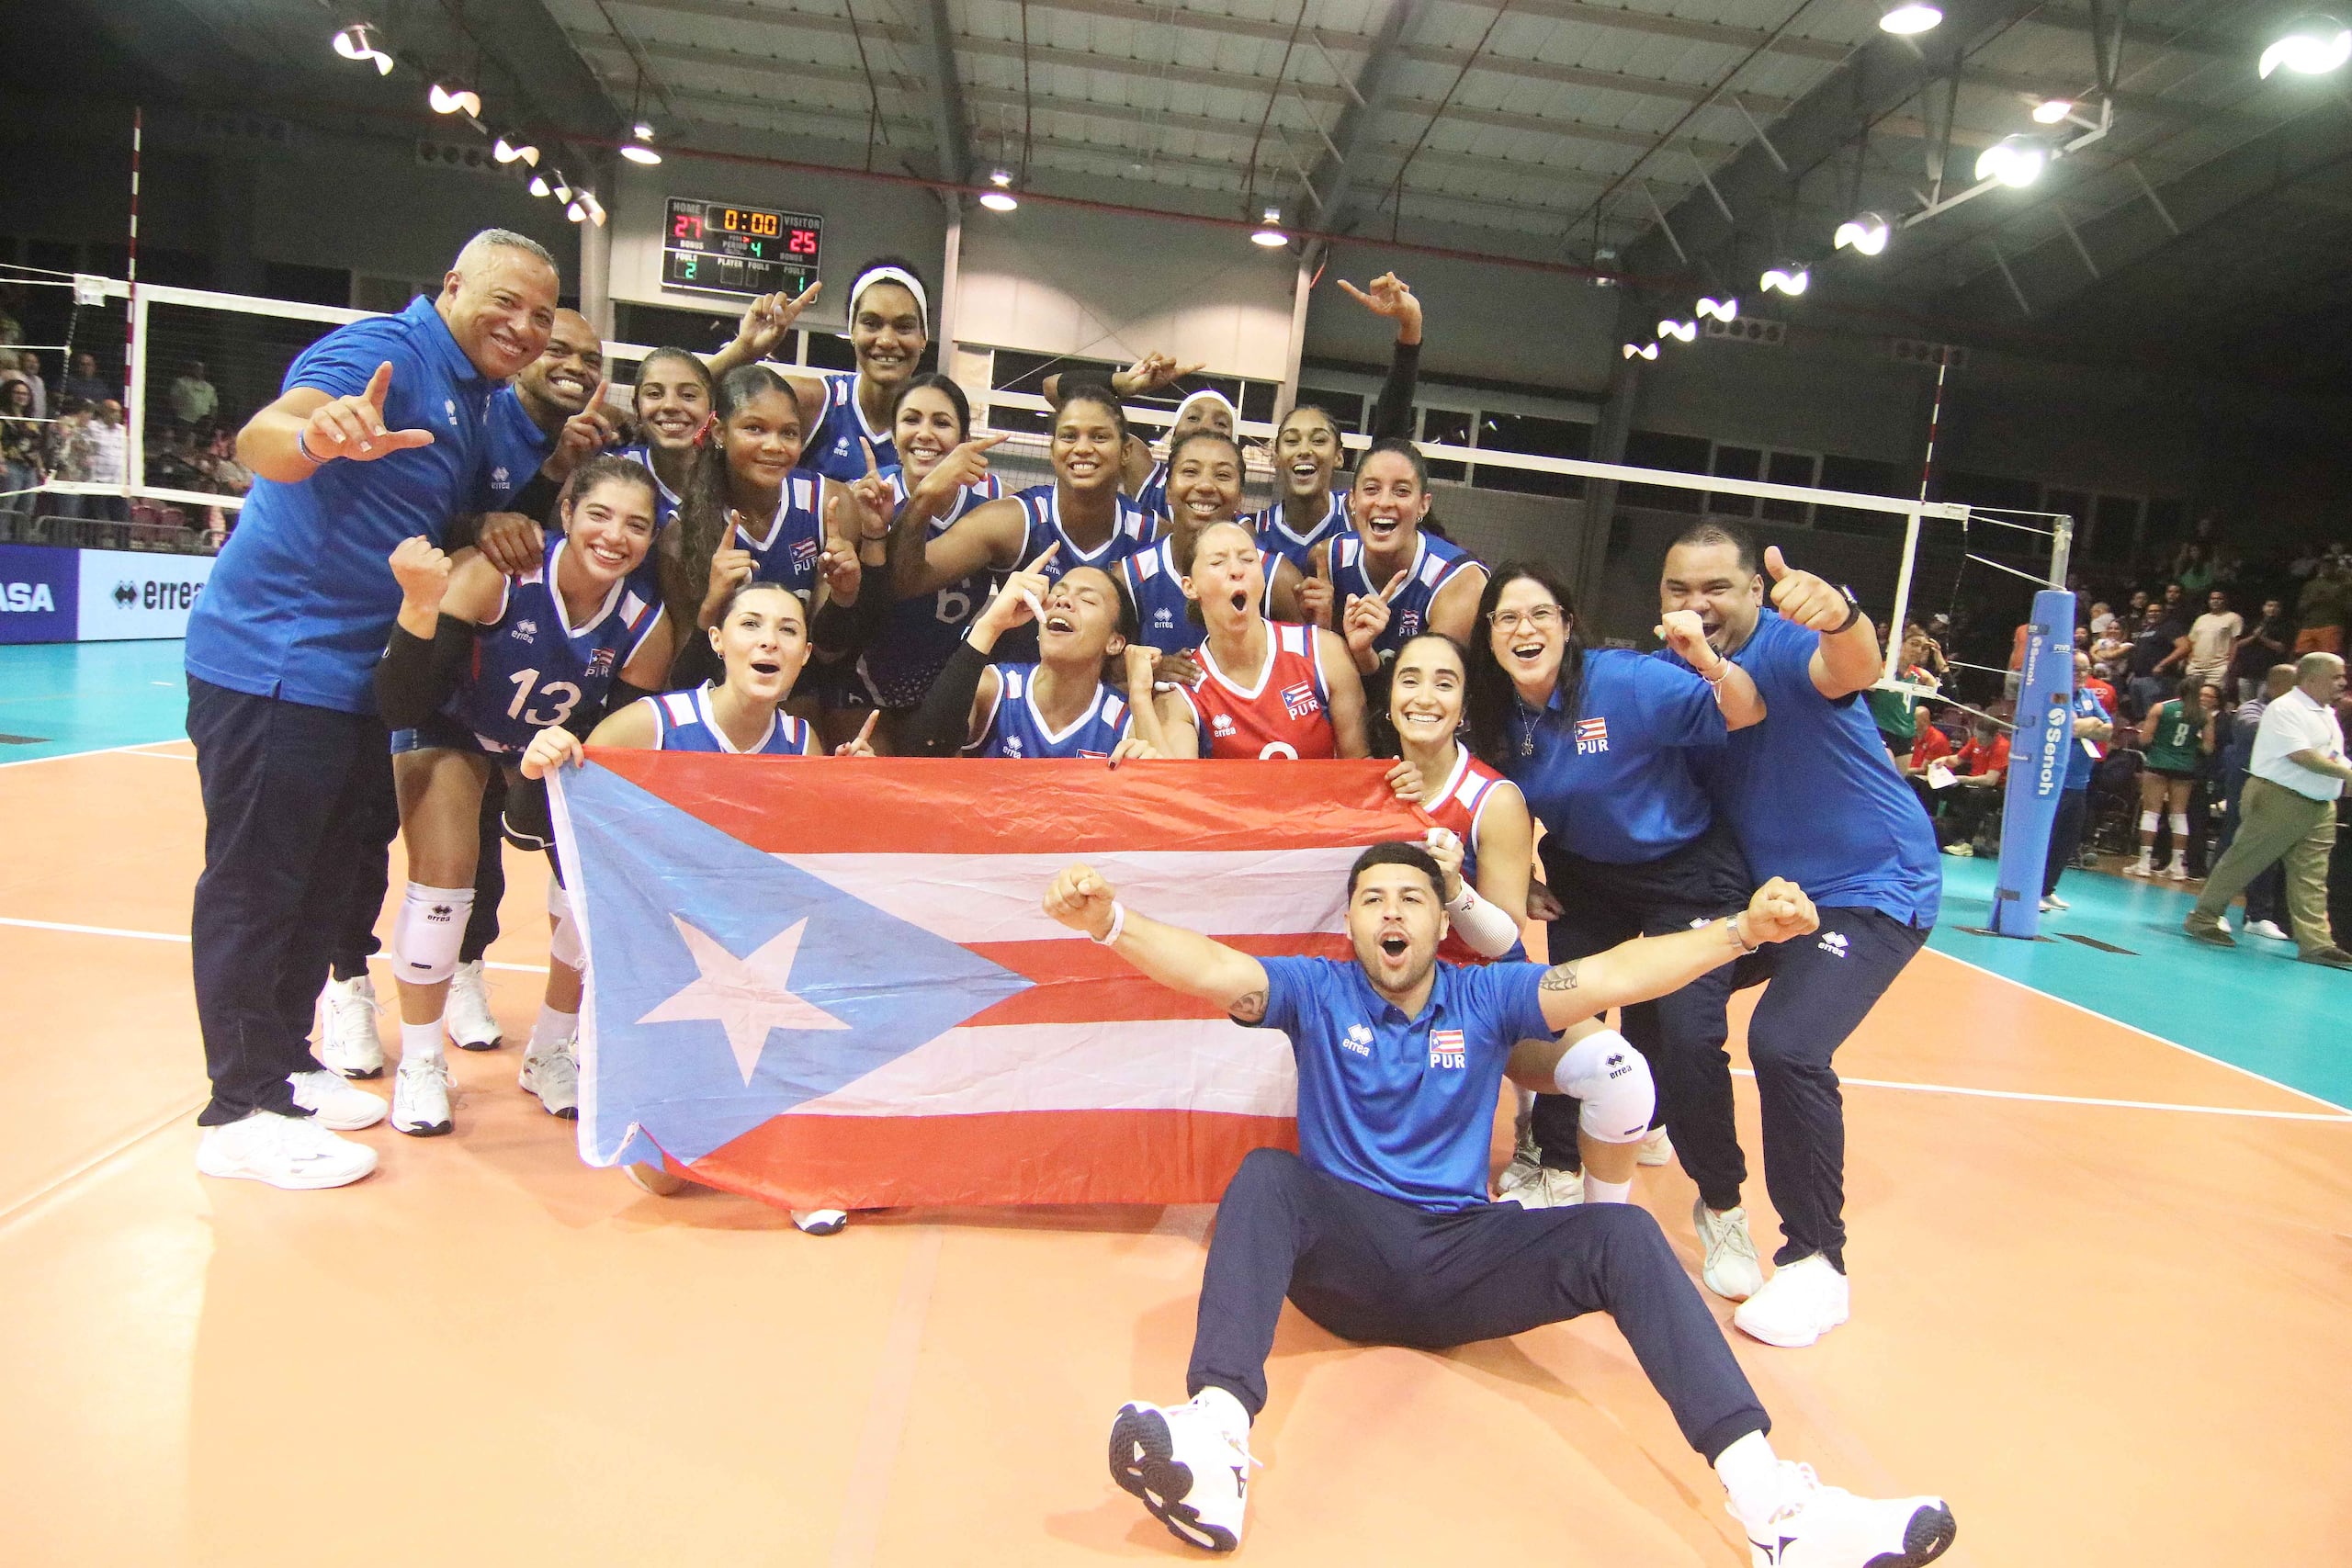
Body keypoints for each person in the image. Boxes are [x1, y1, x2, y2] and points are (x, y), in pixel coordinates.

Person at [1051, 844, 1956, 1564]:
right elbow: (1209, 968)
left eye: (1410, 897)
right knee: (1264, 1175)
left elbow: (1615, 976)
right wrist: (1112, 922)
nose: (1392, 912)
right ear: (1353, 924)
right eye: (1373, 900)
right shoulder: (1313, 990)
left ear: (1439, 919)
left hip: (1462, 1259)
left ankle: (1775, 1510)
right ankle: (1214, 1443)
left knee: (1624, 1235)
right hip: (1347, 1257)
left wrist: (1741, 932)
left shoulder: (1483, 994)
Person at [183, 228, 560, 1190]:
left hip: (360, 679)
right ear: (451, 286)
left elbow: (425, 517)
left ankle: (285, 1067)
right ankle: (237, 1108)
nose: (522, 327)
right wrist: (317, 434)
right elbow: (270, 436)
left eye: (541, 317)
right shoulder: (379, 354)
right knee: (258, 884)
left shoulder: (473, 400)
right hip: (275, 665)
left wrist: (482, 524)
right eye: (505, 302)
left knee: (325, 890)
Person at [1655, 520, 1940, 1346]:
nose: (1697, 604)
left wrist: (1842, 614)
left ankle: (1818, 1263)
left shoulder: (1787, 650)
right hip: (1771, 898)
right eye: (1679, 589)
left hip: (1870, 889)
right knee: (1662, 984)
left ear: (1755, 591)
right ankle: (1664, 1128)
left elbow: (1851, 666)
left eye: (1717, 588)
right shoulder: (1675, 678)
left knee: (1785, 1044)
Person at [522, 577, 879, 1231]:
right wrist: (548, 752)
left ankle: (798, 1159)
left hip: (754, 952)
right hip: (663, 952)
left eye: (788, 630)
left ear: (803, 655)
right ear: (718, 641)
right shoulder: (653, 724)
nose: (769, 639)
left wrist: (845, 797)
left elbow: (808, 875)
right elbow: (578, 811)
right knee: (665, 1181)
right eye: (751, 625)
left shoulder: (803, 745)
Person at [318, 308, 621, 1073]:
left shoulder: (582, 449)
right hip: (415, 639)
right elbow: (453, 519)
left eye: (590, 356)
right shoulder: (485, 417)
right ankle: (347, 981)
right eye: (559, 348)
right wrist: (482, 525)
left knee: (482, 852)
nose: (575, 365)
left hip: (507, 685)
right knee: (370, 834)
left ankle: (467, 971)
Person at [1465, 562, 1773, 1311]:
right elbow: (1483, 800)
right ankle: (1556, 1158)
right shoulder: (1500, 716)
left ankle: (1724, 1208)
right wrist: (1518, 870)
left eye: (1540, 613)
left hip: (1685, 870)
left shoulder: (1628, 682)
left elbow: (1747, 710)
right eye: (1507, 618)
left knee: (1687, 1033)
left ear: (1568, 623)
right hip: (1585, 875)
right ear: (1491, 638)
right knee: (1565, 1012)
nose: (1524, 629)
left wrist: (1706, 662)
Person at [371, 455, 674, 1134]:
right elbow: (402, 703)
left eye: (636, 525)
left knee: (585, 888)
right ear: (565, 512)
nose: (613, 536)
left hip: (548, 752)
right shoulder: (495, 577)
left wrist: (537, 794)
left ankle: (551, 1048)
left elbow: (615, 748)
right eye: (598, 515)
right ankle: (422, 1062)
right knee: (445, 882)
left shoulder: (645, 627)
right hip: (454, 725)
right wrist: (417, 605)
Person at [662, 363, 885, 692]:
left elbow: (826, 654)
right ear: (720, 432)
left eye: (789, 432)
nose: (775, 446)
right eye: (755, 429)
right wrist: (712, 604)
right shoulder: (682, 532)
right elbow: (681, 683)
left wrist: (844, 595)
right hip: (717, 703)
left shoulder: (831, 505)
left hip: (796, 698)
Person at [833, 372, 1004, 748]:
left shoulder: (993, 505)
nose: (925, 433)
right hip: (859, 684)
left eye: (941, 423)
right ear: (894, 438)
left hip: (940, 690)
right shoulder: (863, 499)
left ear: (964, 441)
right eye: (911, 420)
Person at [891, 382, 1154, 612]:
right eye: (1069, 436)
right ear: (1052, 451)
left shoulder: (1153, 535)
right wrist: (926, 494)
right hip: (1012, 668)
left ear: (1126, 452)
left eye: (1099, 437)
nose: (1083, 448)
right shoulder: (1012, 521)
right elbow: (905, 581)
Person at [901, 547, 1169, 762]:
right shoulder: (996, 688)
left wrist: (1140, 695)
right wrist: (990, 626)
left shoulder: (1123, 721)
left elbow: (1168, 801)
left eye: (1088, 600)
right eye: (1058, 594)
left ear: (1115, 642)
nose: (1063, 602)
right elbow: (923, 752)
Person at [1247, 272, 1426, 573]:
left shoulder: (1360, 515)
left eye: (1319, 439)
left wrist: (1411, 329)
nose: (1304, 449)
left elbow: (1390, 432)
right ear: (1275, 456)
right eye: (1291, 440)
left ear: (1340, 456)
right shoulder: (1253, 532)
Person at [2185, 652, 2352, 967]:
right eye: (2336, 676)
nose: (2343, 682)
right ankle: (2204, 918)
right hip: (2280, 799)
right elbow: (2301, 755)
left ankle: (2317, 943)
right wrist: (2346, 774)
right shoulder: (2285, 708)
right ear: (2312, 678)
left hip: (2319, 805)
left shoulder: (2325, 712)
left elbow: (2330, 755)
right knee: (2245, 860)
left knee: (2312, 877)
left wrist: (2344, 770)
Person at [1154, 519, 1368, 760]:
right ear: (1190, 587)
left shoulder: (1325, 652)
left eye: (1248, 559)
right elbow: (1180, 789)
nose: (1237, 570)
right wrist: (1141, 693)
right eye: (1217, 562)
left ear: (1262, 578)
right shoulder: (1182, 692)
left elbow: (1360, 768)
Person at [1299, 438, 1487, 682]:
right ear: (1352, 501)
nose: (1385, 502)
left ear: (1423, 505)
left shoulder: (1460, 583)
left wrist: (1363, 654)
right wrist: (1320, 630)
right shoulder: (1326, 559)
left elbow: (1426, 694)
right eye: (1372, 489)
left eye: (1401, 491)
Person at [724, 259, 924, 481]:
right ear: (852, 331)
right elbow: (694, 401)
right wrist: (743, 350)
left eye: (904, 327)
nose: (887, 340)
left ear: (923, 337)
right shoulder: (812, 401)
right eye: (871, 323)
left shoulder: (937, 427)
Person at [1121, 432, 1303, 650]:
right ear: (1168, 491)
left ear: (1239, 497)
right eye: (1190, 472)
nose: (1205, 486)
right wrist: (1153, 669)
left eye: (1223, 475)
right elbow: (1111, 668)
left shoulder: (1277, 578)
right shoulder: (1133, 576)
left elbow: (1302, 667)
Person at [2218, 665, 2296, 940]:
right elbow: (2254, 731)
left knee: (2269, 850)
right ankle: (2216, 911)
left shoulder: (2297, 713)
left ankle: (2258, 915)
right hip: (2245, 787)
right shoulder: (2251, 709)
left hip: (2278, 790)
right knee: (2233, 845)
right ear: (2277, 686)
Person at [2043, 661, 2114, 913]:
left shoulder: (2088, 695)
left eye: (2085, 670)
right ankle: (2034, 891)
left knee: (2067, 839)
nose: (2081, 675)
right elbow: (2067, 728)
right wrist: (2091, 724)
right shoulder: (2055, 694)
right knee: (2047, 838)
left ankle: (2048, 889)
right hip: (2056, 781)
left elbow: (2108, 730)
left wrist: (2090, 724)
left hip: (2080, 782)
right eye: (2075, 669)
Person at [2130, 677, 2210, 880]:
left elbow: (2144, 739)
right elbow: (2208, 747)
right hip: (2185, 767)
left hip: (2157, 764)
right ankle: (2177, 866)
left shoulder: (2160, 708)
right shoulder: (2204, 714)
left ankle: (2144, 863)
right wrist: (2190, 747)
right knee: (2179, 815)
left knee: (2151, 812)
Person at [1933, 716, 2009, 858]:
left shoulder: (2002, 747)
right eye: (1977, 737)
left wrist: (1963, 779)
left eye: (1983, 739)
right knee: (1941, 787)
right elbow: (1957, 760)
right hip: (1973, 785)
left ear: (1994, 736)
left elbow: (1990, 780)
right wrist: (1944, 760)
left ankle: (1966, 843)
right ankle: (1942, 831)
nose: (1979, 742)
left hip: (1995, 792)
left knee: (1977, 796)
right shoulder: (1975, 741)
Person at [2232, 597, 2293, 702]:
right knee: (2245, 705)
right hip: (2247, 672)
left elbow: (2281, 648)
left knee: (2263, 704)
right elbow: (2239, 644)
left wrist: (2262, 638)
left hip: (2268, 675)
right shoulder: (2254, 624)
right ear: (2263, 608)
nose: (2272, 609)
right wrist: (2254, 637)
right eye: (2269, 606)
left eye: (2276, 606)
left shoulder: (2286, 626)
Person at [2184, 589, 2243, 691]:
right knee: (2192, 697)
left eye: (2219, 598)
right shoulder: (2201, 619)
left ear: (2225, 601)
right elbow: (2192, 641)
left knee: (2214, 698)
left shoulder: (2233, 618)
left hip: (2218, 667)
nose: (2215, 601)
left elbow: (2235, 642)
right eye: (2212, 598)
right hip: (2196, 666)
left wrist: (2229, 664)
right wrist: (2189, 660)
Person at [170, 359, 220, 427]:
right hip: (185, 421)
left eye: (201, 368)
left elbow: (214, 406)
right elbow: (174, 401)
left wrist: (211, 421)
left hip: (203, 425)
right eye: (196, 367)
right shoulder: (181, 382)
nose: (199, 370)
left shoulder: (210, 388)